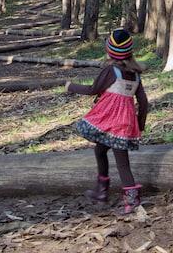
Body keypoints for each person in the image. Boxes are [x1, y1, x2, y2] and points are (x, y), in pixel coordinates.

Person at [66, 29, 149, 214]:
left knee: (122, 163)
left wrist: (70, 86)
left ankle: (132, 200)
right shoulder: (135, 75)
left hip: (112, 123)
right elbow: (143, 102)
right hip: (124, 123)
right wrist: (140, 123)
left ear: (109, 50)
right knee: (100, 149)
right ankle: (101, 191)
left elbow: (93, 90)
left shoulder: (111, 71)